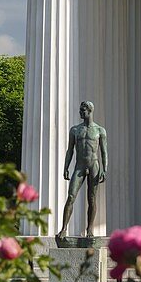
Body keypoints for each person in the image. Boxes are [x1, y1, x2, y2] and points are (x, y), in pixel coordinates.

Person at [56, 101, 108, 241]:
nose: (80, 113)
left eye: (82, 111)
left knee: (92, 199)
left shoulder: (99, 130)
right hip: (79, 166)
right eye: (80, 110)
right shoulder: (75, 130)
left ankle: (89, 229)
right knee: (71, 196)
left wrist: (105, 169)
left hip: (94, 166)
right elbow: (70, 150)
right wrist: (66, 167)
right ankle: (63, 229)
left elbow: (104, 152)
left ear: (90, 111)